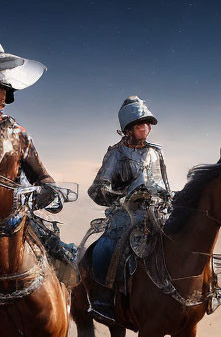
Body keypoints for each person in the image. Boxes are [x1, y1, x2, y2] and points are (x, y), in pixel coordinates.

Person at [86, 96, 170, 321]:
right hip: (126, 216)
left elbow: (164, 185)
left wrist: (171, 199)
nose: (147, 128)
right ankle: (104, 298)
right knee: (109, 246)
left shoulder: (157, 152)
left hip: (157, 213)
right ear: (129, 129)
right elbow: (97, 189)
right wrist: (122, 198)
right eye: (142, 124)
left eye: (148, 123)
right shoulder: (116, 153)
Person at [0, 42, 76, 265]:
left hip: (13, 220)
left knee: (62, 260)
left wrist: (42, 193)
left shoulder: (17, 135)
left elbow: (43, 178)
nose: (3, 96)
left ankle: (82, 299)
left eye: (4, 89)